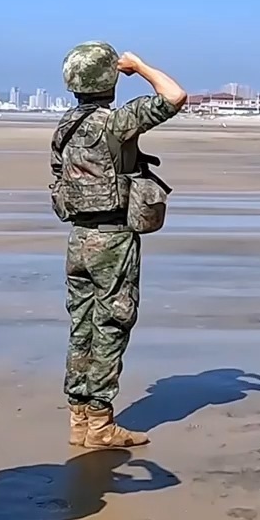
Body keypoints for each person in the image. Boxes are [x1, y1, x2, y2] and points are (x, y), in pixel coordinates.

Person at [50, 42, 185, 448]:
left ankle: (78, 418)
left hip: (79, 237)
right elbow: (174, 96)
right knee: (111, 325)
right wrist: (140, 65)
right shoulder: (115, 122)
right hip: (112, 238)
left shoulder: (65, 126)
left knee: (81, 327)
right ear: (109, 79)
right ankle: (100, 424)